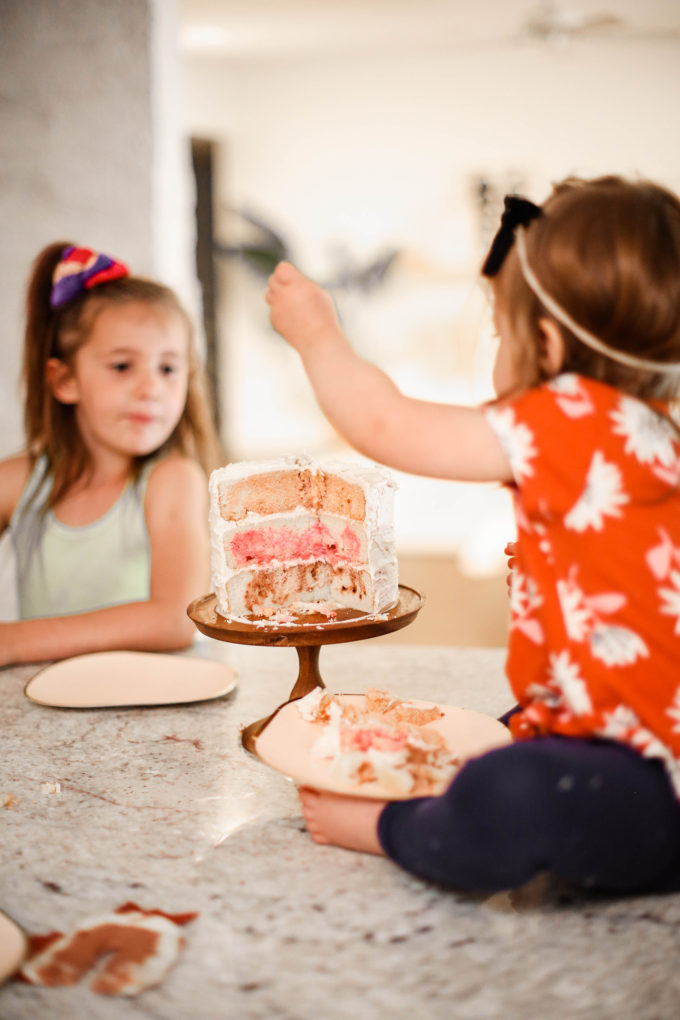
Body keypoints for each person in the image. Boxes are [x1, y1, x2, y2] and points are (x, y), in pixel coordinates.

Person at [265, 175, 680, 895]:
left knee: (511, 790)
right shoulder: (649, 431)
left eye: (500, 332)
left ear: (546, 346)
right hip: (631, 743)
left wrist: (317, 335)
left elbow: (385, 425)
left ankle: (391, 827)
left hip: (648, 786)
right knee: (506, 733)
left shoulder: (573, 418)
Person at [0, 243, 220, 667]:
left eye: (168, 368)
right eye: (122, 366)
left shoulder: (172, 480)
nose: (151, 388)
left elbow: (176, 619)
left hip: (158, 721)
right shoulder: (19, 482)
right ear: (64, 380)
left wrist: (12, 642)